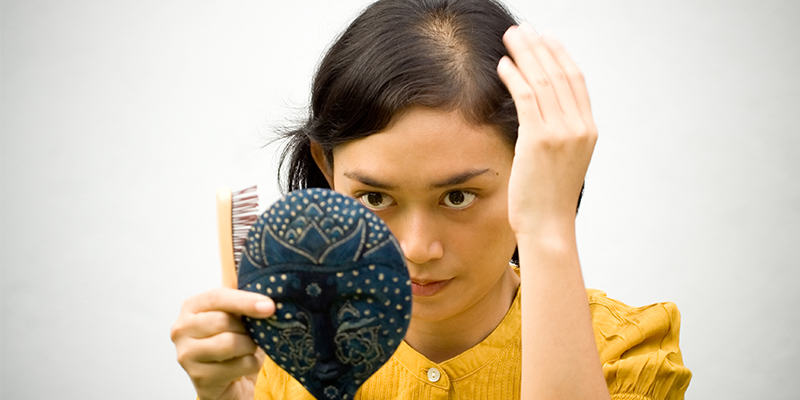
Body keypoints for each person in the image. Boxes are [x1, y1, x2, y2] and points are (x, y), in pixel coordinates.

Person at [171, 0, 693, 399]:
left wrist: (550, 226)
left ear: (530, 173)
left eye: (459, 196)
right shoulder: (283, 356)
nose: (417, 249)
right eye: (375, 197)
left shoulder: (623, 350)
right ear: (328, 170)